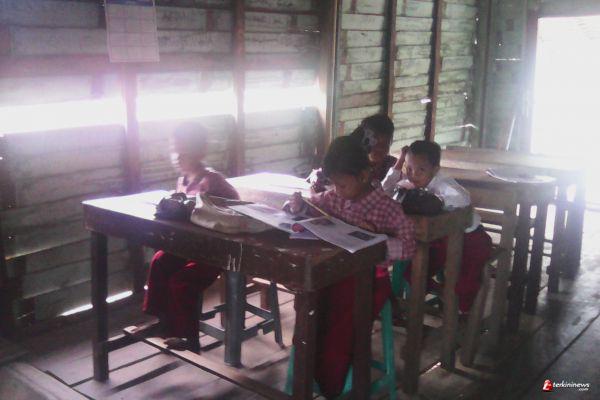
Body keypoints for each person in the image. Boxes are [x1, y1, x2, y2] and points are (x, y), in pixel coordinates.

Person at [287, 135, 416, 398]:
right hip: (332, 275)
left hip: (368, 280)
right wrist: (298, 207)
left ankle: (330, 385)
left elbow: (409, 246)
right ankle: (307, 373)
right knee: (309, 308)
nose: (337, 190)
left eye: (342, 184)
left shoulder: (387, 208)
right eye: (334, 184)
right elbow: (312, 207)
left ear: (364, 175)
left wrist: (377, 242)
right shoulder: (334, 198)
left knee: (340, 324)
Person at [143, 121, 239, 352]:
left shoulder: (212, 181)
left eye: (183, 152)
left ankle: (189, 338)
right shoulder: (183, 181)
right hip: (190, 248)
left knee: (182, 282)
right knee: (160, 261)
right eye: (174, 151)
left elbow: (237, 209)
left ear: (200, 152)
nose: (177, 158)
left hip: (215, 252)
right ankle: (165, 322)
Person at [382, 140, 492, 314]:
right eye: (409, 168)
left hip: (472, 240)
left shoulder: (443, 184)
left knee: (465, 282)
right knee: (413, 273)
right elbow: (385, 190)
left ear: (435, 169)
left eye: (421, 170)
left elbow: (464, 199)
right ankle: (443, 293)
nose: (413, 174)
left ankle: (464, 313)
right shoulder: (410, 183)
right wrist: (400, 163)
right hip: (439, 240)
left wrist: (436, 201)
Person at [308, 114, 397, 192]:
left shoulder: (392, 165)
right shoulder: (347, 162)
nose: (380, 148)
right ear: (364, 140)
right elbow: (319, 178)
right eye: (375, 142)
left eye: (385, 144)